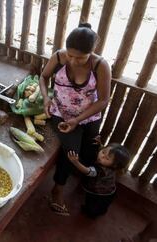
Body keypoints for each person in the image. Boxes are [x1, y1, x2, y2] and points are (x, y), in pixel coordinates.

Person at [39, 22, 111, 215]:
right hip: (61, 112)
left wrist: (78, 120)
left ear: (91, 52)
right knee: (71, 152)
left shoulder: (100, 65)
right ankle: (58, 189)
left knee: (91, 149)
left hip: (88, 115)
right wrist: (46, 98)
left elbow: (103, 100)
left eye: (80, 57)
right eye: (70, 55)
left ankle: (86, 180)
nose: (73, 60)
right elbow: (43, 77)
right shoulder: (59, 57)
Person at [67, 143, 130, 218]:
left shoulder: (101, 171)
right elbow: (104, 148)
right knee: (95, 203)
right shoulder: (111, 166)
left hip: (100, 194)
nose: (101, 156)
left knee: (94, 207)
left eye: (106, 158)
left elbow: (87, 171)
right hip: (107, 190)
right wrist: (100, 143)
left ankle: (91, 214)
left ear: (114, 165)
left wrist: (75, 162)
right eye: (103, 152)